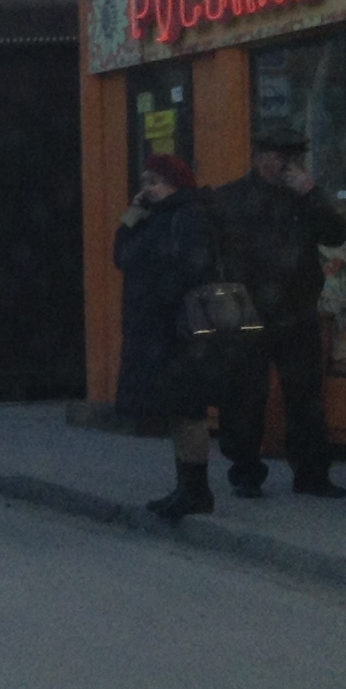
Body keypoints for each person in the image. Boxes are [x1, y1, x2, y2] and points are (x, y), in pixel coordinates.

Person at [213, 120, 346, 499]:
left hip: (296, 307)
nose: (289, 165)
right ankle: (245, 472)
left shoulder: (303, 198)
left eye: (295, 157)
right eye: (280, 156)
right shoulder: (229, 199)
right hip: (246, 310)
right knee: (245, 396)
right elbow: (209, 249)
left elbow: (337, 233)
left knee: (305, 395)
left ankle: (311, 474)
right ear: (259, 157)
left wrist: (311, 193)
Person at [112, 153, 220, 518]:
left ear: (175, 184)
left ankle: (197, 490)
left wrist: (162, 297)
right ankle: (185, 487)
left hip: (181, 330)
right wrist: (131, 215)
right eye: (145, 182)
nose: (148, 189)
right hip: (157, 329)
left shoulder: (189, 215)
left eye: (155, 182)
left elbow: (192, 266)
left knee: (189, 410)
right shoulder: (152, 216)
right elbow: (122, 257)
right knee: (176, 410)